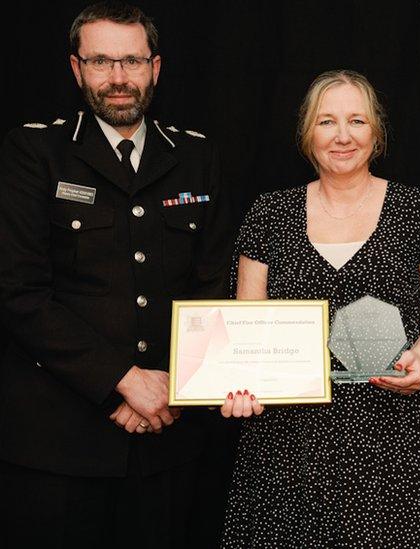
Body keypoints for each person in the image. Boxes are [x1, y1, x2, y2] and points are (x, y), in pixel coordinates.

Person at [0, 1, 233, 547]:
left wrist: (177, 387)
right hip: (58, 443)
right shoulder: (34, 151)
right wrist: (124, 383)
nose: (119, 78)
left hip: (170, 439)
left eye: (132, 61)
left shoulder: (197, 156)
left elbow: (212, 284)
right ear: (77, 69)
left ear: (156, 67)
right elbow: (18, 291)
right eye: (102, 62)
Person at [219, 69, 420, 548]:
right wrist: (241, 383)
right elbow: (245, 325)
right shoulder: (268, 214)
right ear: (307, 133)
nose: (342, 136)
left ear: (376, 133)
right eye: (327, 121)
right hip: (284, 447)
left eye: (357, 121)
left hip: (393, 440)